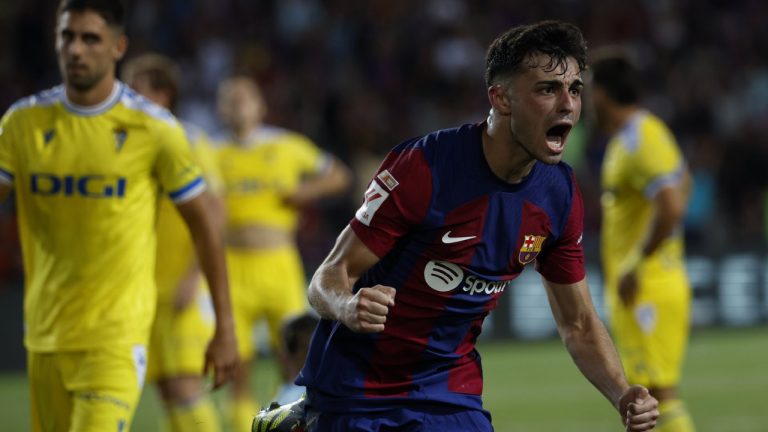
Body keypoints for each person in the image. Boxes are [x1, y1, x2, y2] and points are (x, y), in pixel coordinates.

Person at [256, 20, 661, 432]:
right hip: (356, 390)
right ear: (501, 98)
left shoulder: (559, 194)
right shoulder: (425, 167)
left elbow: (578, 322)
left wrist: (621, 392)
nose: (568, 105)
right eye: (547, 89)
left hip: (448, 392)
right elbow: (329, 276)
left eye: (574, 90)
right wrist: (347, 306)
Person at [0, 1, 238, 430]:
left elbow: (206, 225)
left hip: (116, 336)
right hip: (44, 335)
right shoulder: (22, 124)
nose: (76, 49)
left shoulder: (155, 130)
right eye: (67, 36)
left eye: (91, 38)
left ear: (117, 47)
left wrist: (225, 326)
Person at [214, 75, 351, 430]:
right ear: (219, 108)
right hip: (231, 266)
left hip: (278, 262)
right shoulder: (211, 153)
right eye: (229, 98)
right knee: (238, 365)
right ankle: (247, 425)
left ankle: (292, 423)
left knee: (295, 357)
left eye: (243, 97)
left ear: (260, 106)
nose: (236, 104)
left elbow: (339, 175)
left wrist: (305, 193)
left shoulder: (287, 146)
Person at [590, 51, 695, 432]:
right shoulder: (627, 140)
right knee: (648, 397)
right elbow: (684, 181)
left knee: (657, 397)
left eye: (586, 90)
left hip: (647, 285)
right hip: (639, 286)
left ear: (602, 93)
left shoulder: (642, 138)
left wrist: (640, 260)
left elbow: (671, 205)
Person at [121, 53, 225, 432]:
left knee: (185, 384)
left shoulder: (187, 138)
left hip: (183, 285)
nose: (128, 97)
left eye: (138, 90)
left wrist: (192, 276)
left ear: (164, 95)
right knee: (166, 389)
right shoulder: (128, 145)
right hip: (146, 286)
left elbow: (216, 212)